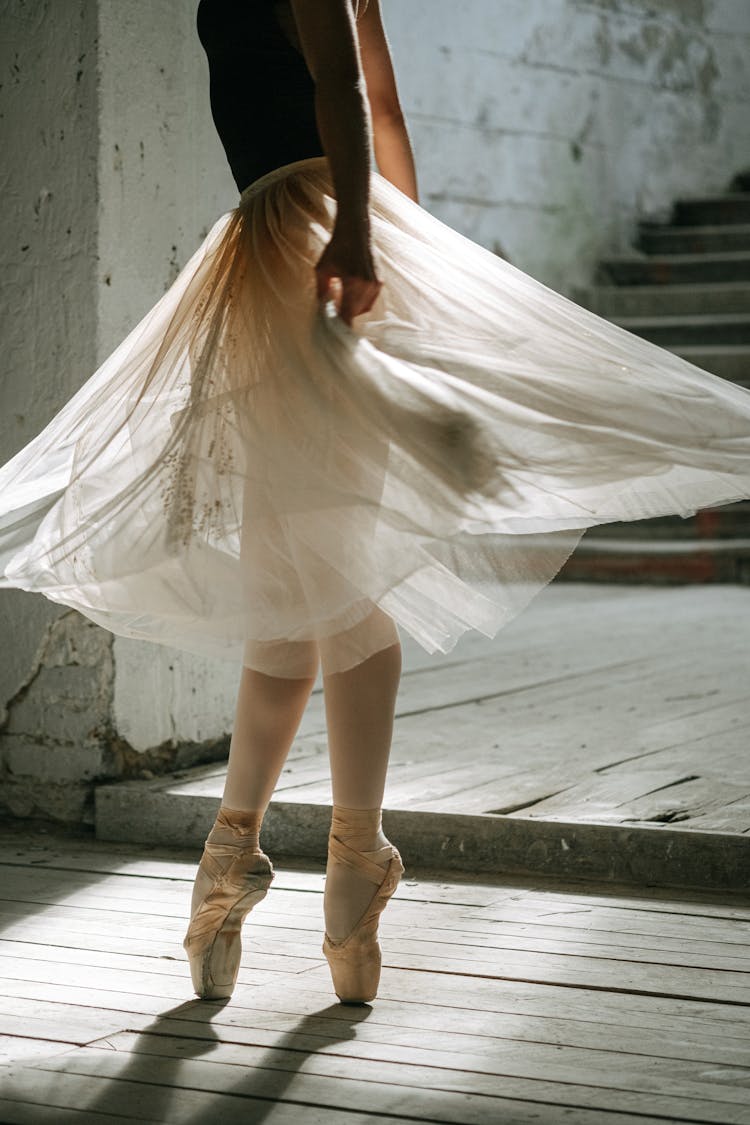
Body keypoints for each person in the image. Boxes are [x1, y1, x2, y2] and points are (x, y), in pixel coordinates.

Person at [2, 0, 750, 1004]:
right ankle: (348, 862)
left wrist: (384, 246)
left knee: (298, 610)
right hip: (299, 250)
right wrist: (374, 234)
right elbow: (368, 100)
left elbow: (361, 96)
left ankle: (238, 856)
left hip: (295, 245)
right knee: (332, 608)